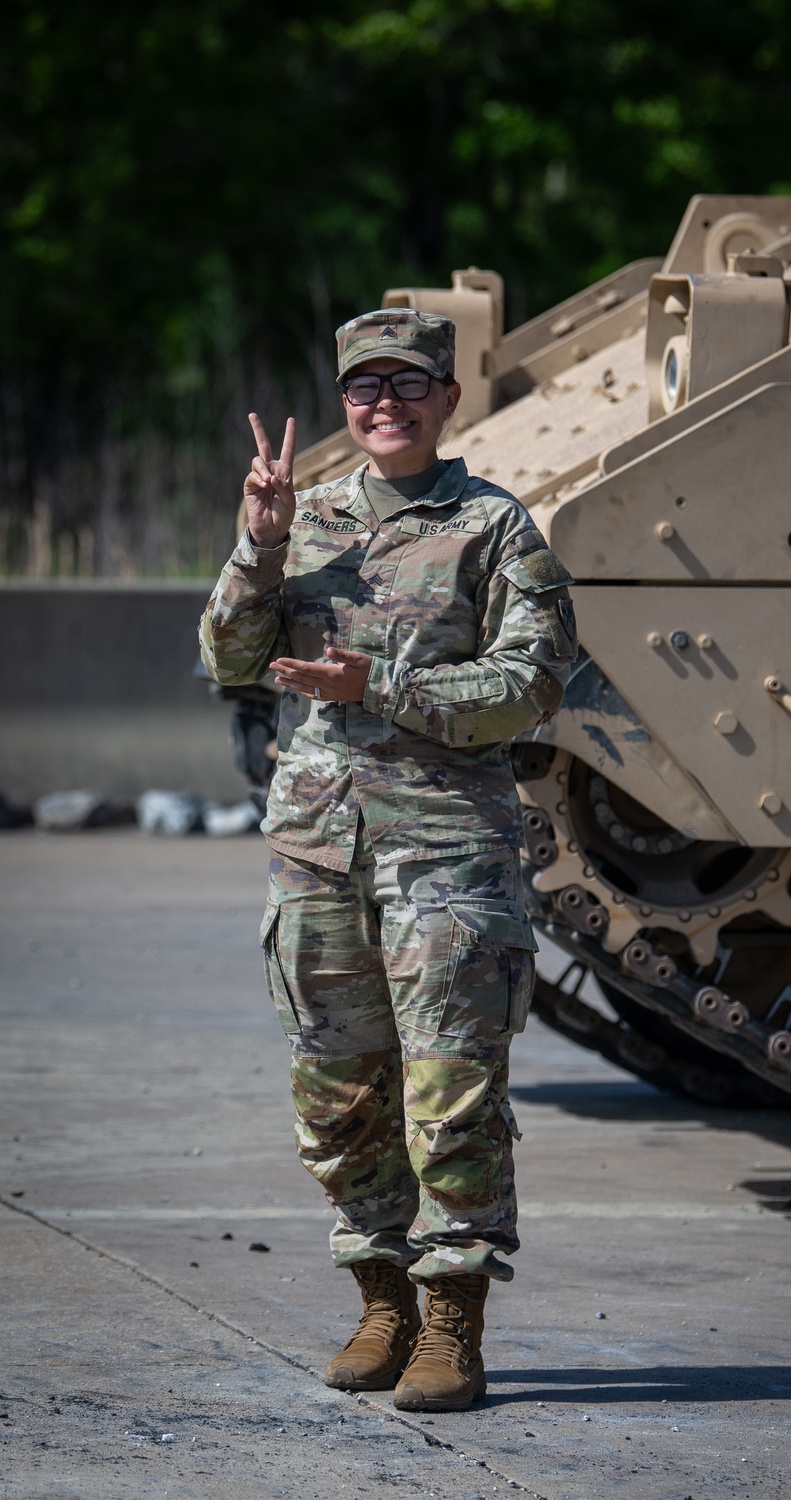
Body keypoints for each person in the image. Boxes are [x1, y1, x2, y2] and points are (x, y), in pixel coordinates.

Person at [200, 308, 577, 1412]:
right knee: (335, 1093)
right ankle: (381, 1298)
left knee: (450, 1095)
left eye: (408, 385)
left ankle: (453, 1321)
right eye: (365, 388)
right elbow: (225, 654)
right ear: (344, 402)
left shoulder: (497, 529)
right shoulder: (305, 518)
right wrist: (258, 543)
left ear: (448, 399)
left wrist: (387, 689)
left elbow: (531, 684)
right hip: (318, 856)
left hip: (447, 858)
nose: (385, 405)